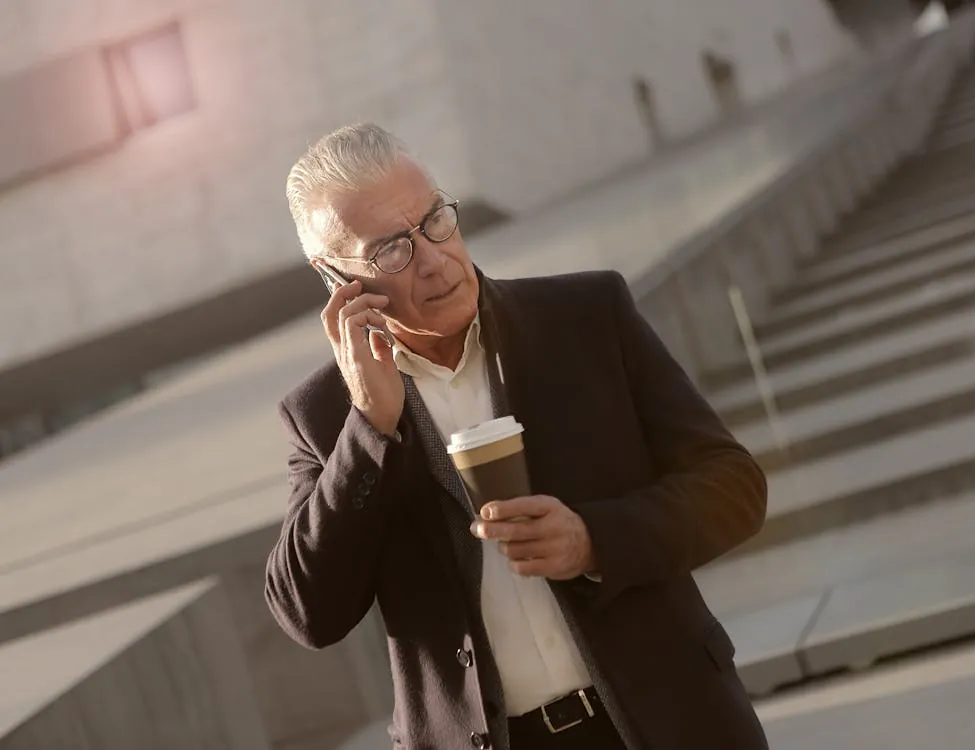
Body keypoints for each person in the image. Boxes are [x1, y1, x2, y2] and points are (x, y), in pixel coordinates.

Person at [265, 123, 770, 750]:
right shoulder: (321, 416)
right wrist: (368, 425)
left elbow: (735, 488)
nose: (434, 259)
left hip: (671, 724)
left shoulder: (587, 317)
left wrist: (593, 540)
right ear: (336, 279)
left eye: (436, 220)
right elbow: (308, 614)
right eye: (391, 250)